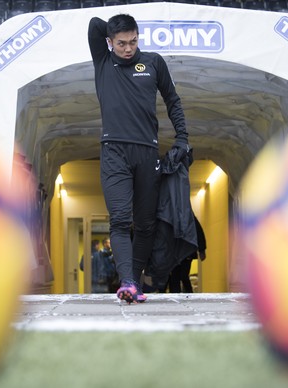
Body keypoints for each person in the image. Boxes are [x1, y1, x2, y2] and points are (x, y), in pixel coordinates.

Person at [88, 14, 190, 303]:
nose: (128, 48)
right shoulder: (104, 62)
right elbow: (94, 24)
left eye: (133, 41)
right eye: (121, 43)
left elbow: (173, 100)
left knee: (146, 224)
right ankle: (129, 281)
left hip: (147, 151)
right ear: (110, 42)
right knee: (120, 220)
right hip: (114, 151)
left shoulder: (154, 62)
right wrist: (111, 32)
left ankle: (133, 283)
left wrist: (182, 138)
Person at [169, 216, 207, 293]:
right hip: (175, 252)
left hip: (186, 251)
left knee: (183, 276)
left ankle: (188, 294)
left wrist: (202, 249)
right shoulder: (171, 216)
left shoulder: (189, 216)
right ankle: (176, 295)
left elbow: (198, 231)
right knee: (175, 277)